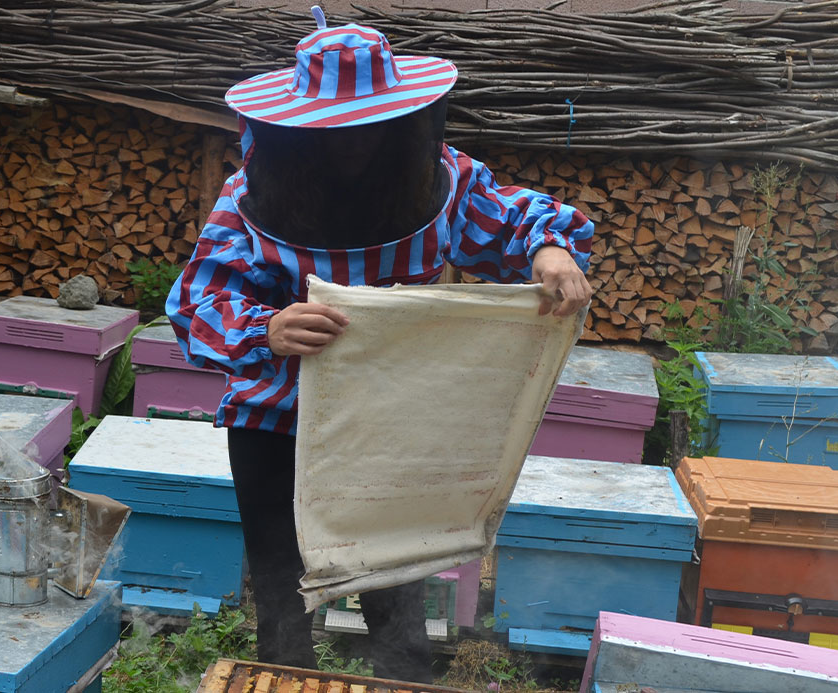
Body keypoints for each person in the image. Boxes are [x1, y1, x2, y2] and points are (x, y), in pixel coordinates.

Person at [164, 9, 595, 683]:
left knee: (396, 603)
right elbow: (194, 302)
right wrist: (266, 329)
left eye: (368, 129)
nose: (352, 147)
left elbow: (515, 218)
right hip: (278, 425)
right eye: (334, 133)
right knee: (283, 602)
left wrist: (547, 247)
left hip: (396, 424)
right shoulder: (247, 195)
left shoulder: (445, 181)